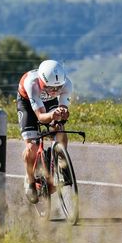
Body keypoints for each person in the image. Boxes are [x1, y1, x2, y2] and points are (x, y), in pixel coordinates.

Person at [16, 59, 72, 203]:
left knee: (60, 129)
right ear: (41, 81)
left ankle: (61, 161)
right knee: (31, 148)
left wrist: (62, 113)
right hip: (28, 103)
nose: (54, 91)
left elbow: (63, 109)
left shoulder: (67, 84)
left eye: (57, 88)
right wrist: (52, 115)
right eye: (49, 87)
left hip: (48, 102)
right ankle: (29, 180)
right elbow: (41, 116)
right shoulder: (32, 84)